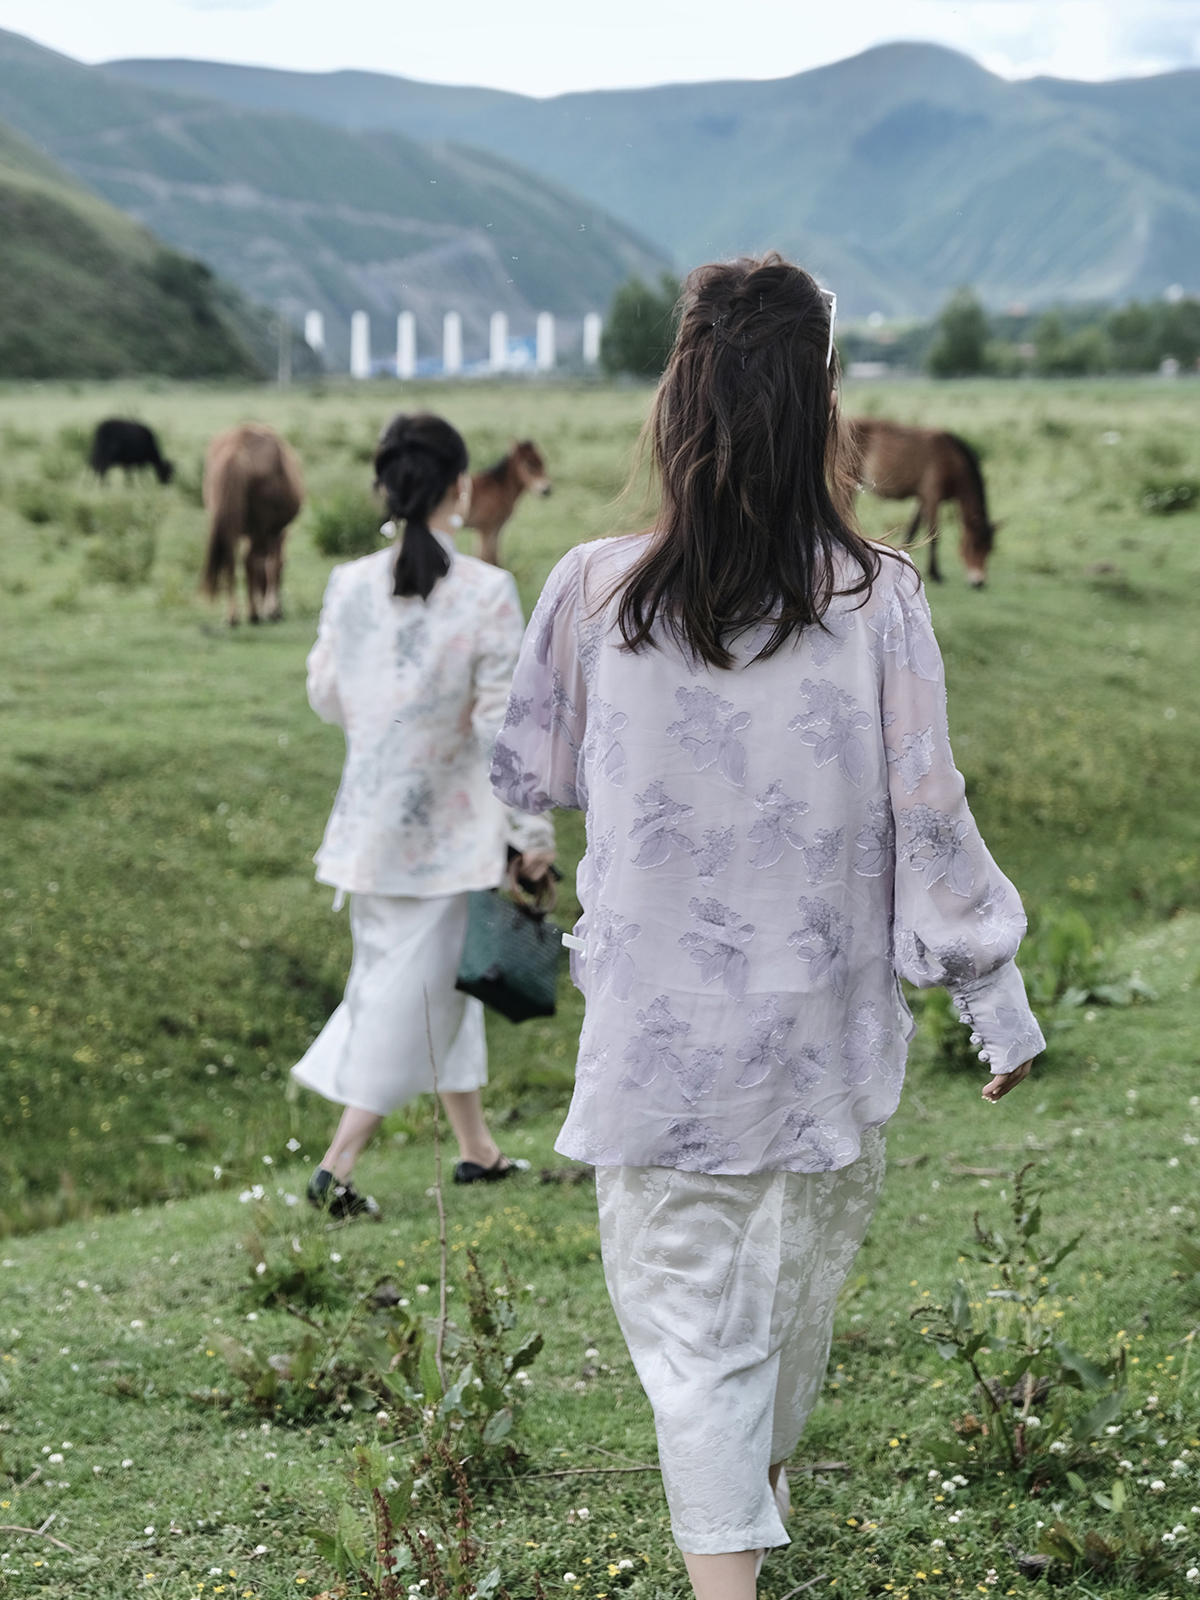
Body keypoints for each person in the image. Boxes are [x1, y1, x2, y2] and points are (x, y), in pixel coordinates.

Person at [491, 256, 1044, 1600]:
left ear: (678, 402)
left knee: (709, 1341)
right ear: (821, 409)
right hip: (819, 1045)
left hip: (660, 1047)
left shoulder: (590, 591)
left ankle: (744, 1531)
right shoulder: (877, 597)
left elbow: (527, 775)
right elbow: (930, 811)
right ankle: (741, 1549)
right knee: (779, 1314)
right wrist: (994, 993)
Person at [292, 412, 556, 1220]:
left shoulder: (348, 585)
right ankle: (335, 1168)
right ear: (460, 488)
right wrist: (532, 835)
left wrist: (390, 716)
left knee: (427, 986)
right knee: (409, 1000)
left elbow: (325, 695)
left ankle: (477, 1150)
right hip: (451, 836)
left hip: (365, 831)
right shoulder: (486, 592)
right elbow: (504, 727)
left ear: (384, 488)